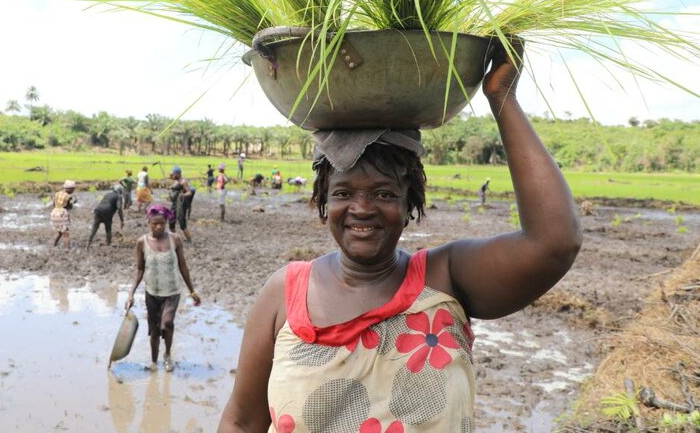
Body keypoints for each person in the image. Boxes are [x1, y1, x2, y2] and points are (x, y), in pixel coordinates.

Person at [218, 43, 582, 431]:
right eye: (343, 193)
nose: (362, 208)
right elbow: (241, 422)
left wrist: (502, 97)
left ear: (411, 204)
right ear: (323, 202)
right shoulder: (284, 294)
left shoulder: (445, 279)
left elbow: (555, 241)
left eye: (384, 193)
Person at [125, 204, 201, 372]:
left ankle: (167, 355)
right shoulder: (141, 243)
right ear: (149, 223)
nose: (158, 226)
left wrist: (192, 291)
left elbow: (183, 266)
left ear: (166, 222)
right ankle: (153, 362)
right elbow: (139, 270)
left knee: (167, 324)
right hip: (152, 293)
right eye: (155, 224)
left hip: (172, 292)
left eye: (162, 223)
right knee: (153, 332)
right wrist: (130, 294)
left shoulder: (175, 239)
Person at [168, 166, 193, 242]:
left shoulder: (183, 182)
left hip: (180, 204)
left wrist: (183, 195)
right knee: (171, 220)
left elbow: (189, 192)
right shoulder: (176, 181)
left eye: (174, 174)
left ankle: (189, 239)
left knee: (182, 222)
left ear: (178, 174)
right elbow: (173, 186)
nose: (173, 176)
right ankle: (174, 238)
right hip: (174, 204)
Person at [50, 180, 77, 249]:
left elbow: (53, 204)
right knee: (66, 233)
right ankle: (67, 249)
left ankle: (53, 245)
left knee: (59, 232)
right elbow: (69, 207)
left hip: (54, 213)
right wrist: (74, 202)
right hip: (62, 213)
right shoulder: (68, 196)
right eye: (73, 189)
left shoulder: (57, 194)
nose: (73, 190)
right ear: (70, 189)